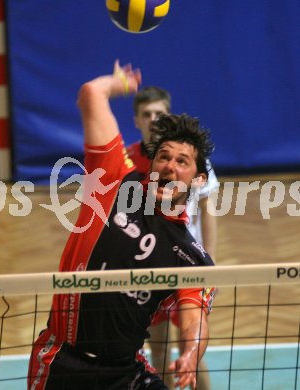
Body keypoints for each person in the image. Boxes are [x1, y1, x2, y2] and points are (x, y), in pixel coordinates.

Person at [27, 60, 215, 390]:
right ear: (152, 164)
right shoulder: (113, 181)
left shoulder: (190, 256)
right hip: (60, 362)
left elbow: (193, 319)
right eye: (163, 157)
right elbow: (90, 93)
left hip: (124, 372)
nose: (169, 166)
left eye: (181, 161)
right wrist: (117, 85)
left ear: (198, 179)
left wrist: (190, 353)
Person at [127, 86, 219, 388]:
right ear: (137, 120)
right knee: (159, 348)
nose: (153, 119)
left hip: (187, 267)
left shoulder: (193, 158)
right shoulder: (127, 161)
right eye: (147, 114)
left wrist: (210, 259)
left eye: (159, 113)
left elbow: (208, 208)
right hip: (147, 269)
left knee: (192, 349)